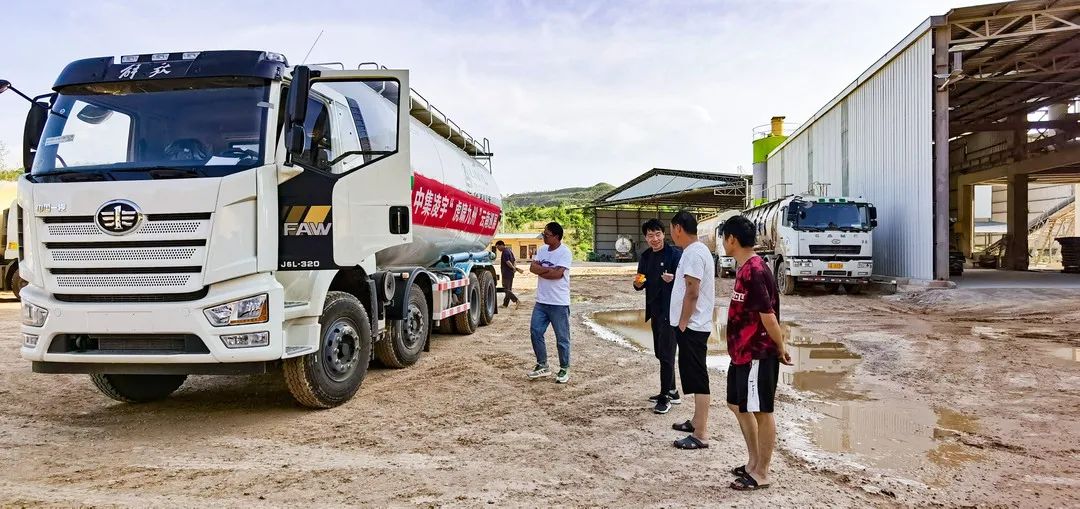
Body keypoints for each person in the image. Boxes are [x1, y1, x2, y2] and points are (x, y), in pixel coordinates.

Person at [720, 215, 792, 491]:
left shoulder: (755, 270)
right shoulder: (744, 268)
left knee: (762, 410)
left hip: (757, 353)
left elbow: (768, 316)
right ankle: (752, 461)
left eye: (725, 238)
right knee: (737, 404)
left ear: (732, 240)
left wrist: (780, 347)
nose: (724, 242)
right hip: (740, 353)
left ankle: (762, 472)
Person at [667, 210, 715, 450]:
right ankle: (696, 421)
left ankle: (701, 434)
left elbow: (692, 291)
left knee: (697, 377)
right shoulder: (695, 251)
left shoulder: (694, 253)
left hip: (694, 325)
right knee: (694, 376)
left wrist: (684, 321)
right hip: (693, 324)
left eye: (670, 229)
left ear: (678, 228)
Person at [633, 219, 683, 414]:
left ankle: (665, 397)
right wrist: (637, 284)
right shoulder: (645, 257)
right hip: (655, 310)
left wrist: (674, 278)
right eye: (650, 236)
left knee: (667, 354)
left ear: (664, 234)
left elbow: (687, 280)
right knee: (660, 353)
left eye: (657, 234)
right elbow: (640, 281)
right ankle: (673, 391)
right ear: (646, 238)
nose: (654, 239)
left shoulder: (674, 255)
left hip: (670, 311)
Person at [527, 222, 573, 384]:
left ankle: (564, 368)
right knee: (535, 332)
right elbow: (532, 268)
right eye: (544, 234)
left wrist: (542, 270)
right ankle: (542, 364)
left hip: (558, 303)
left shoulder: (565, 252)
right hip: (541, 301)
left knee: (562, 338)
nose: (544, 237)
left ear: (556, 236)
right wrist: (548, 270)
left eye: (547, 234)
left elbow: (558, 275)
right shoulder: (541, 250)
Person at [496, 240, 525, 307]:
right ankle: (505, 304)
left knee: (506, 289)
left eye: (498, 247)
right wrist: (514, 268)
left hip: (506, 273)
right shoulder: (509, 251)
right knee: (509, 289)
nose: (498, 249)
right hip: (511, 273)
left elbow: (507, 262)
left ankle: (516, 300)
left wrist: (513, 268)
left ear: (501, 245)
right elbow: (514, 261)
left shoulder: (505, 252)